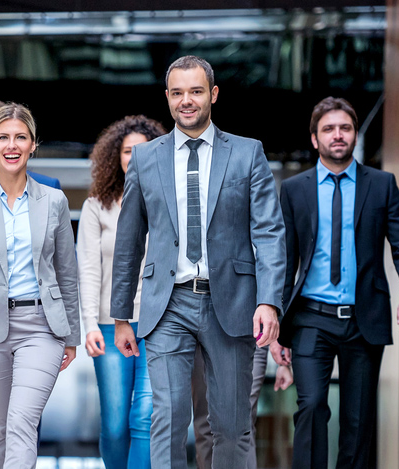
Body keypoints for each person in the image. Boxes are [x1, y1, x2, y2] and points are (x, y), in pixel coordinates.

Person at [110, 56, 286, 469]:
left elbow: (269, 232)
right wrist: (121, 315)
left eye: (195, 91)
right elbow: (129, 239)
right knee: (167, 417)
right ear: (167, 98)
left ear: (213, 95)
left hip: (233, 302)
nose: (186, 101)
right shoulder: (146, 158)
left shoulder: (247, 153)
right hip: (166, 303)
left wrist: (269, 300)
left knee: (230, 425)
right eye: (177, 93)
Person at [273, 97, 399, 469]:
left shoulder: (382, 185)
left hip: (364, 318)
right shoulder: (295, 190)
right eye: (328, 129)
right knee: (310, 406)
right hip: (310, 318)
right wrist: (277, 323)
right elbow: (283, 259)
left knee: (358, 420)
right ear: (314, 139)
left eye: (345, 128)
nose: (337, 135)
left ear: (355, 135)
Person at [0, 103, 80, 469]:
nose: (12, 145)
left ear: (33, 144)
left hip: (41, 327)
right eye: (3, 137)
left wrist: (71, 336)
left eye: (20, 137)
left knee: (22, 422)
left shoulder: (53, 200)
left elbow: (66, 273)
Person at [77, 115, 166, 469]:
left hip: (159, 324)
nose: (135, 157)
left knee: (144, 417)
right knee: (115, 426)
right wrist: (89, 325)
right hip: (110, 325)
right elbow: (86, 268)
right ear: (117, 156)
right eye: (128, 151)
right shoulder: (96, 205)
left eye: (143, 150)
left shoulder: (170, 204)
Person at [192, 345, 294, 469]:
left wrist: (281, 352)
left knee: (243, 421)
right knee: (205, 422)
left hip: (253, 337)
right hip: (204, 337)